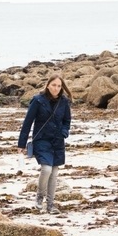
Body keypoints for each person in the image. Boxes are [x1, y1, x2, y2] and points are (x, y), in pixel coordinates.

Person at [17, 74, 72, 215]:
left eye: (59, 86)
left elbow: (67, 121)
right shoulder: (38, 100)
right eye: (54, 85)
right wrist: (21, 144)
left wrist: (64, 132)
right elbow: (27, 122)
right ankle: (39, 198)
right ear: (48, 85)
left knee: (54, 173)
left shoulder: (64, 102)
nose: (56, 88)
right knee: (46, 169)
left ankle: (50, 205)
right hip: (41, 140)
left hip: (57, 141)